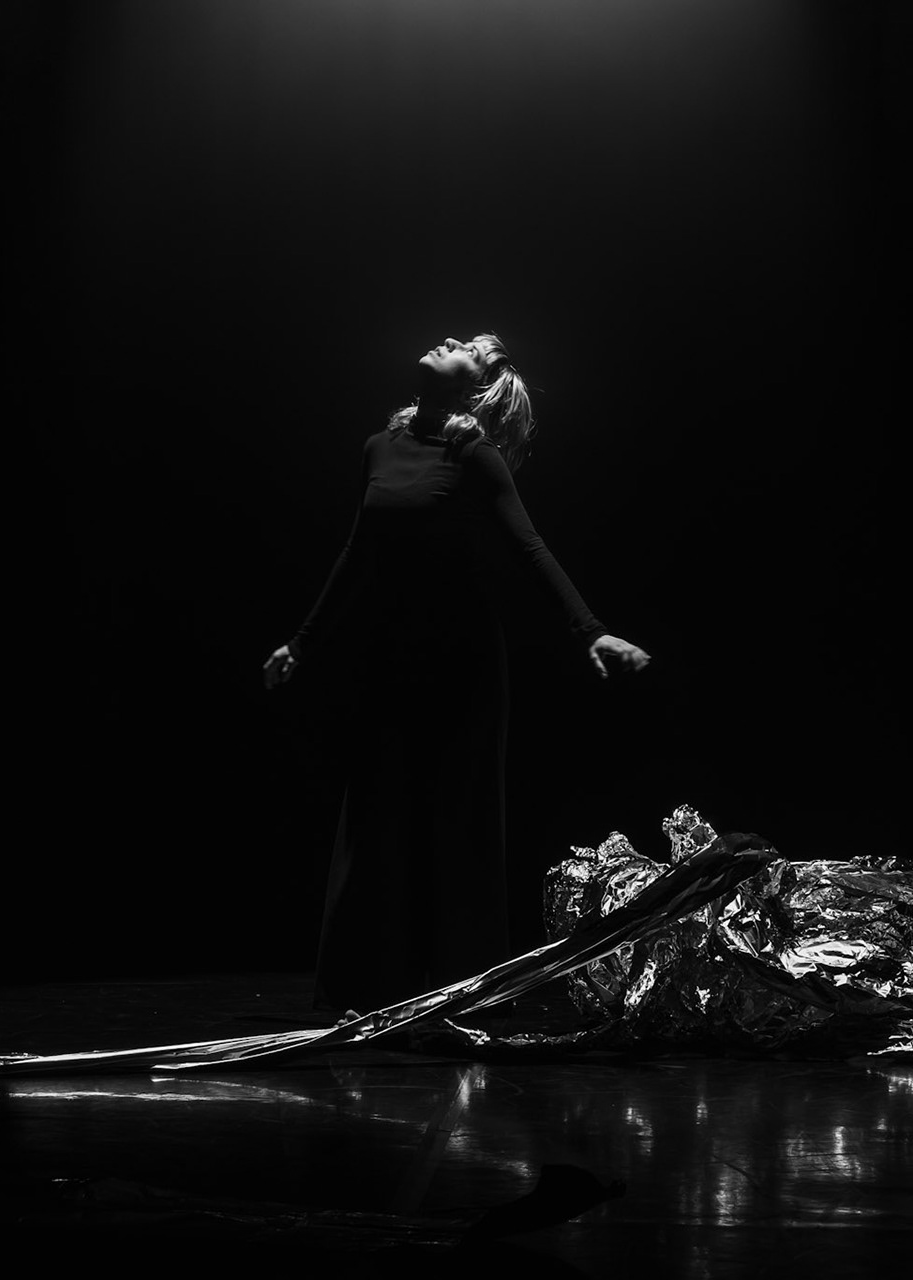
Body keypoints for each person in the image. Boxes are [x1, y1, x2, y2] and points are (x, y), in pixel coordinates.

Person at [264, 333, 650, 1016]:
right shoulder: (378, 448)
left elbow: (528, 546)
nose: (450, 340)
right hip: (389, 659)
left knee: (454, 824)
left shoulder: (474, 455)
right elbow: (357, 551)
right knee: (377, 819)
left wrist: (590, 630)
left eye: (470, 346)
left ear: (476, 387)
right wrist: (302, 643)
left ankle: (457, 995)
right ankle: (365, 991)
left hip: (460, 663)